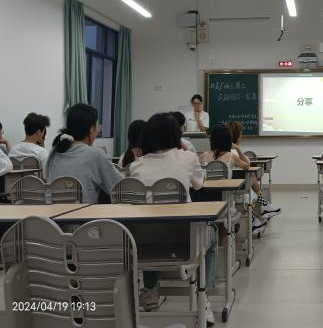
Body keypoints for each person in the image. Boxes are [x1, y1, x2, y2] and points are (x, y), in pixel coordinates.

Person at [129, 113, 215, 322]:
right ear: (177, 135)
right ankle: (203, 296)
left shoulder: (136, 165)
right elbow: (199, 184)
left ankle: (149, 292)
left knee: (152, 224)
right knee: (211, 233)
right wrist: (184, 152)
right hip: (185, 241)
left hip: (144, 246)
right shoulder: (187, 157)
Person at [200, 123, 281, 236]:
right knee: (250, 187)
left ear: (211, 139)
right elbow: (247, 166)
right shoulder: (231, 156)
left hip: (205, 202)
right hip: (226, 202)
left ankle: (256, 218)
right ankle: (256, 217)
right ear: (229, 140)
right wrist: (237, 148)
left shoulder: (203, 156)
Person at [46, 104, 122, 204]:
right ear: (91, 128)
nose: (99, 129)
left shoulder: (55, 151)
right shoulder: (96, 155)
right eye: (97, 125)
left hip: (51, 213)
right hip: (82, 213)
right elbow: (120, 187)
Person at [9, 113, 51, 178]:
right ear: (39, 132)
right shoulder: (41, 152)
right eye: (43, 131)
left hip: (15, 184)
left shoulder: (13, 150)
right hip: (36, 184)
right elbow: (46, 177)